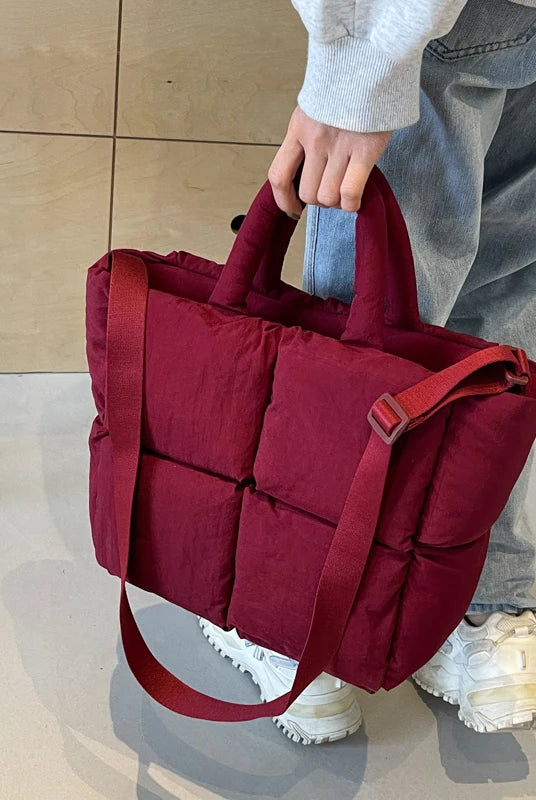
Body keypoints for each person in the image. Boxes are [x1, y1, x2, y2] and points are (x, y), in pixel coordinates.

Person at [201, 0, 536, 744]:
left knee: (364, 327)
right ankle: (490, 617)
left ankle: (295, 622)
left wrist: (356, 64)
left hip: (440, 20)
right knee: (500, 319)